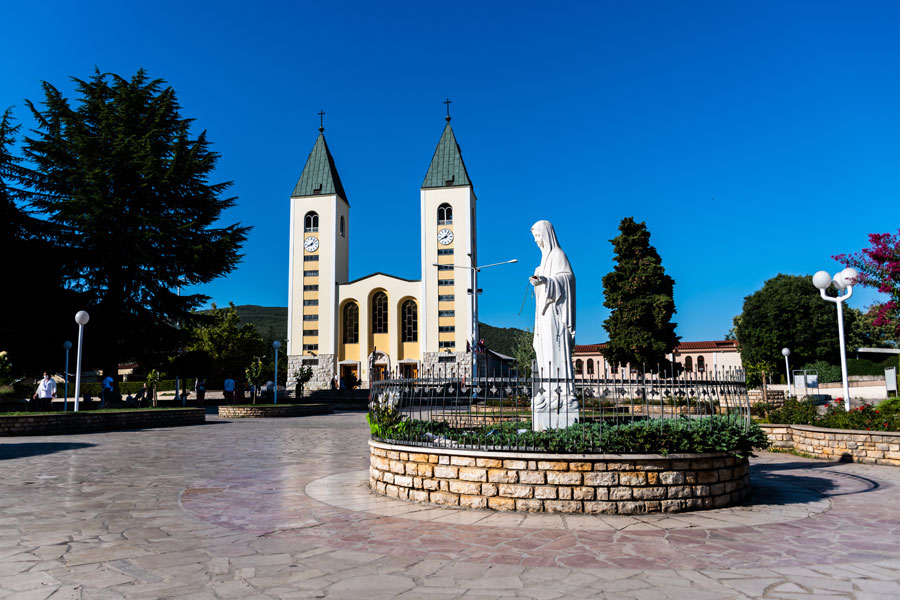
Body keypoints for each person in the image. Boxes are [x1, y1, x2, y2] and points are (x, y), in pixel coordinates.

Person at [529, 220, 578, 430]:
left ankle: (561, 394)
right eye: (534, 238)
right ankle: (548, 393)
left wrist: (547, 282)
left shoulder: (558, 255)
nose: (537, 241)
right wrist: (539, 281)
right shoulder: (543, 259)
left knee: (555, 354)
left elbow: (568, 279)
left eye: (538, 236)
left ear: (547, 235)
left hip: (555, 317)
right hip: (543, 316)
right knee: (543, 354)